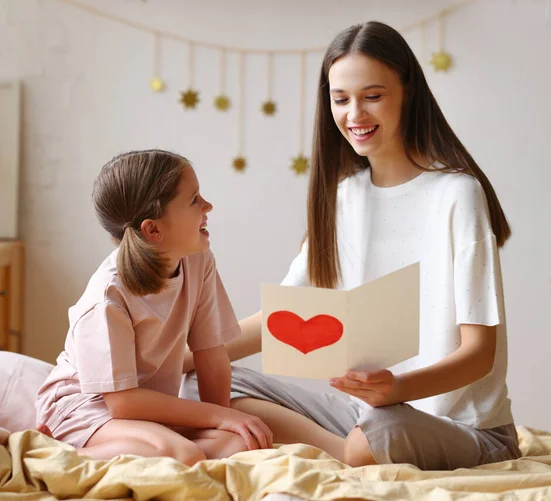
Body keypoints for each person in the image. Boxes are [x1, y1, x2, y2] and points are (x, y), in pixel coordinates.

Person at [183, 20, 521, 470]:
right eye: (341, 99)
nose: (355, 115)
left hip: (463, 430)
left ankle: (343, 452)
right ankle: (347, 448)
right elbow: (282, 319)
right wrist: (179, 360)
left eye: (373, 96)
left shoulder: (457, 194)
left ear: (409, 93)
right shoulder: (343, 196)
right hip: (366, 413)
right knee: (197, 387)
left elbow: (478, 355)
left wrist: (397, 390)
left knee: (382, 430)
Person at [36, 149, 273, 465]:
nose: (208, 207)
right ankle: (47, 459)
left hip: (146, 409)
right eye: (194, 200)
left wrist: (225, 420)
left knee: (239, 445)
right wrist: (214, 415)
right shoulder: (107, 296)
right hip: (87, 410)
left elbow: (212, 355)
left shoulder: (198, 261)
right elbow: (122, 403)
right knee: (181, 453)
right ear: (153, 230)